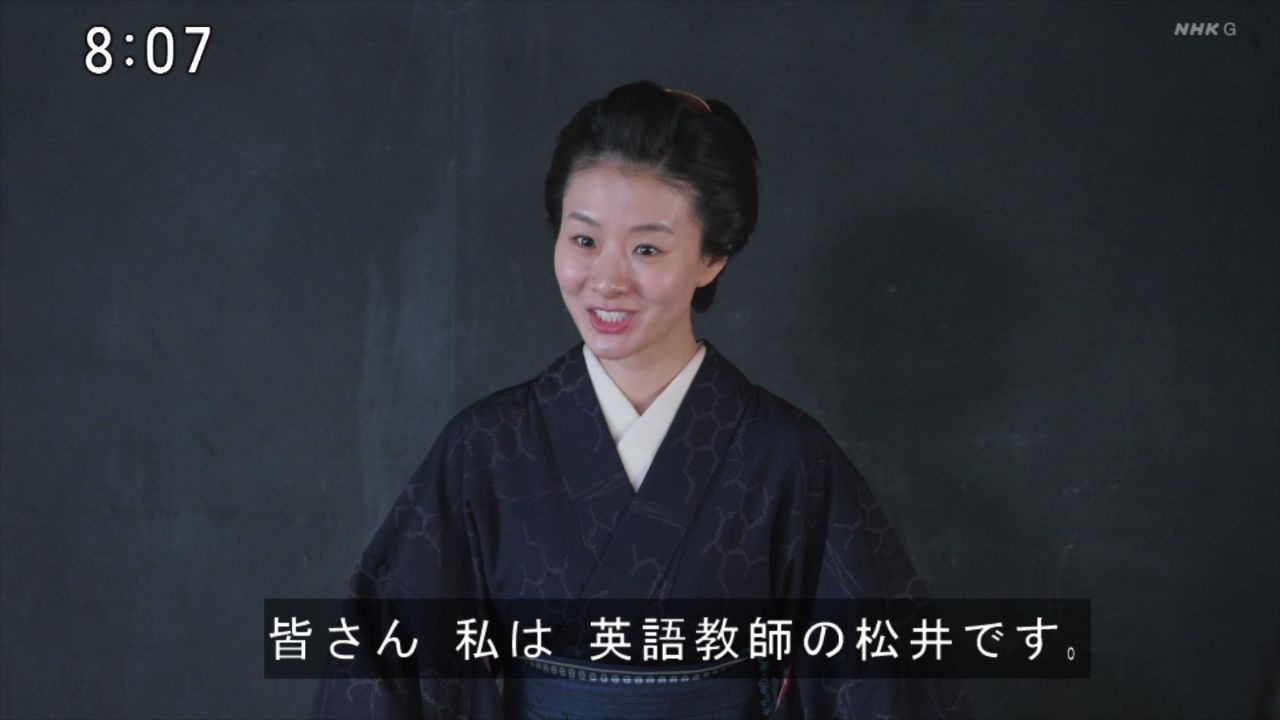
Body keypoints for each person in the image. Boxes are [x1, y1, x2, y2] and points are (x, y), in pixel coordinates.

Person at [312, 80, 970, 719]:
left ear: (712, 256)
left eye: (647, 248)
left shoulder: (788, 458)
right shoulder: (485, 448)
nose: (607, 280)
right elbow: (385, 659)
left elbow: (875, 675)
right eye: (584, 240)